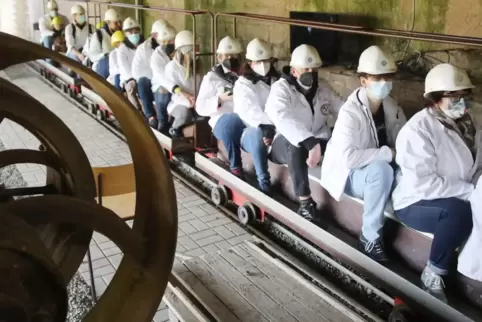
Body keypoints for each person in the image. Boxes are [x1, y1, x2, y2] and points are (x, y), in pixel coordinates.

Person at [392, 63, 477, 302]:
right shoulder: (418, 130)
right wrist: (469, 191)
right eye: (454, 96)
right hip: (415, 202)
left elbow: (476, 165)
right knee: (460, 213)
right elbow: (424, 184)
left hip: (455, 194)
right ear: (436, 99)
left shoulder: (468, 125)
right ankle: (433, 274)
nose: (461, 101)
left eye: (464, 95)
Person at [321, 45, 405, 261]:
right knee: (381, 170)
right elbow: (350, 158)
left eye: (387, 76)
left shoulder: (392, 106)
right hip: (350, 175)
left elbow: (403, 141)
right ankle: (369, 237)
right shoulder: (351, 112)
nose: (384, 82)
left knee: (403, 174)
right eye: (377, 77)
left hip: (378, 171)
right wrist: (388, 154)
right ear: (363, 80)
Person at [266, 44, 344, 221]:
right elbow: (282, 117)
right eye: (306, 69)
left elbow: (342, 109)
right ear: (294, 71)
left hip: (318, 139)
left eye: (314, 68)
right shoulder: (281, 89)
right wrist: (309, 141)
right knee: (295, 146)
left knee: (341, 138)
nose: (311, 72)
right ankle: (305, 202)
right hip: (285, 143)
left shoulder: (323, 89)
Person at [233, 38, 280, 194]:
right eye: (258, 61)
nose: (263, 65)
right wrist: (266, 125)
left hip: (276, 129)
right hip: (250, 131)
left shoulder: (277, 81)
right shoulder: (243, 84)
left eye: (266, 60)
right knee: (257, 134)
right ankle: (263, 180)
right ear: (250, 63)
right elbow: (249, 111)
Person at [196, 36, 246, 178]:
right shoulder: (211, 78)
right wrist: (219, 99)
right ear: (219, 57)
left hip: (245, 116)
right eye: (227, 55)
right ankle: (235, 166)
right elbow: (200, 106)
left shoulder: (246, 75)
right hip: (222, 119)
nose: (231, 58)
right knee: (230, 122)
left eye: (234, 55)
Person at [132, 19, 171, 129]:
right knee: (142, 82)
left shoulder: (169, 47)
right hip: (149, 80)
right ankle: (151, 117)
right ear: (154, 35)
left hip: (165, 80)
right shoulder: (143, 49)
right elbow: (136, 71)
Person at [164, 30, 201, 138]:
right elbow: (175, 91)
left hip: (195, 101)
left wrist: (198, 100)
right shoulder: (172, 67)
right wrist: (188, 101)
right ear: (184, 50)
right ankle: (174, 130)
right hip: (179, 103)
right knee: (185, 114)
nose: (196, 52)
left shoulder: (196, 66)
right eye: (193, 49)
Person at [151, 23, 177, 132]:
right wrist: (173, 87)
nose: (168, 44)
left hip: (177, 86)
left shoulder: (178, 54)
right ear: (160, 42)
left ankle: (174, 125)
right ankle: (162, 122)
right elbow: (161, 77)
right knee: (163, 94)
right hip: (160, 86)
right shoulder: (156, 56)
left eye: (171, 41)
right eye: (164, 41)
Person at [117, 17, 144, 112]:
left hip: (143, 76)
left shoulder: (144, 46)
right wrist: (134, 78)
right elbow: (124, 69)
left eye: (136, 32)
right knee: (131, 87)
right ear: (126, 34)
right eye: (131, 33)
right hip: (129, 78)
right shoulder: (122, 49)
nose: (134, 35)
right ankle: (136, 111)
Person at [88, 8, 121, 79]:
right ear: (108, 22)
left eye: (119, 22)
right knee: (106, 61)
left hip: (116, 66)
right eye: (115, 23)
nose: (118, 25)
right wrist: (105, 55)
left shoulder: (121, 34)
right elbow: (92, 56)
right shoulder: (98, 35)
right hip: (101, 68)